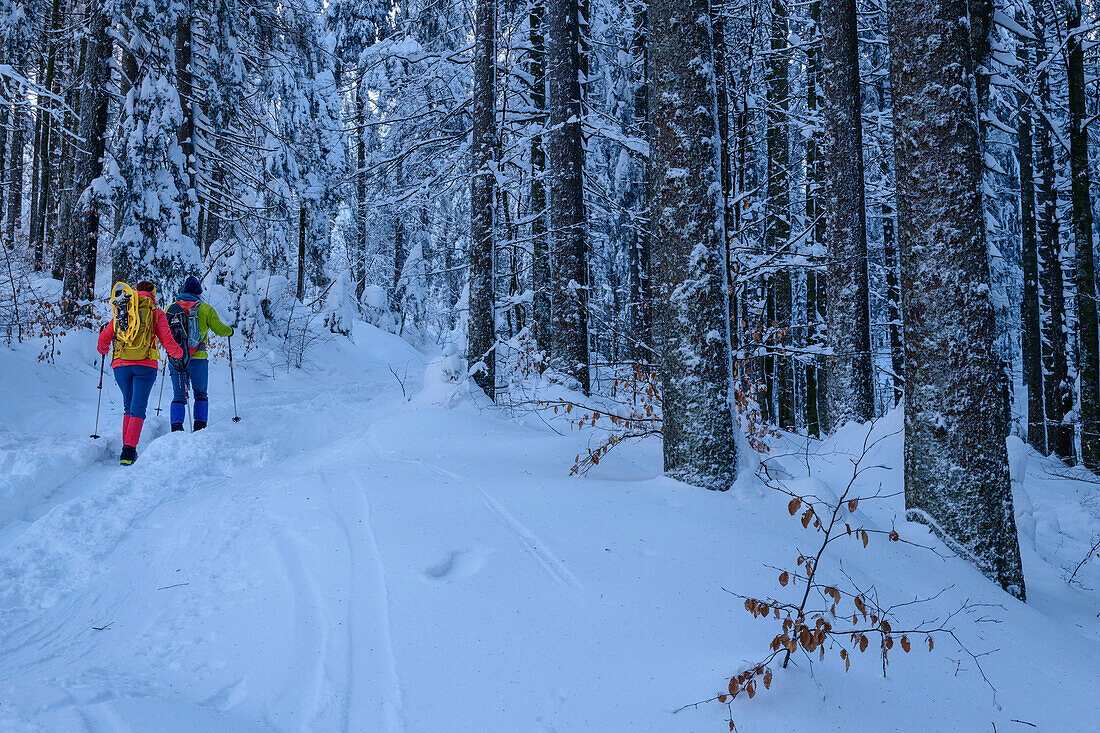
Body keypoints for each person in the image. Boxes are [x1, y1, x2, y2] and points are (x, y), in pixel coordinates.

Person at [97, 281, 185, 465]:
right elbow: (167, 341)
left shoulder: (125, 310)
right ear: (153, 294)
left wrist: (103, 349)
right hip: (145, 365)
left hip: (120, 364)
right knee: (138, 408)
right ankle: (129, 451)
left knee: (128, 407)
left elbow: (105, 337)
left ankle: (126, 449)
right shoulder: (156, 312)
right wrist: (180, 353)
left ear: (135, 292)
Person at [168, 276, 234, 432]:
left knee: (178, 395)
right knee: (200, 394)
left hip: (177, 358)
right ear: (198, 293)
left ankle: (176, 428)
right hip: (198, 358)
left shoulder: (171, 308)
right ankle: (200, 427)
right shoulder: (205, 309)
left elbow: (163, 332)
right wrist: (230, 331)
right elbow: (219, 329)